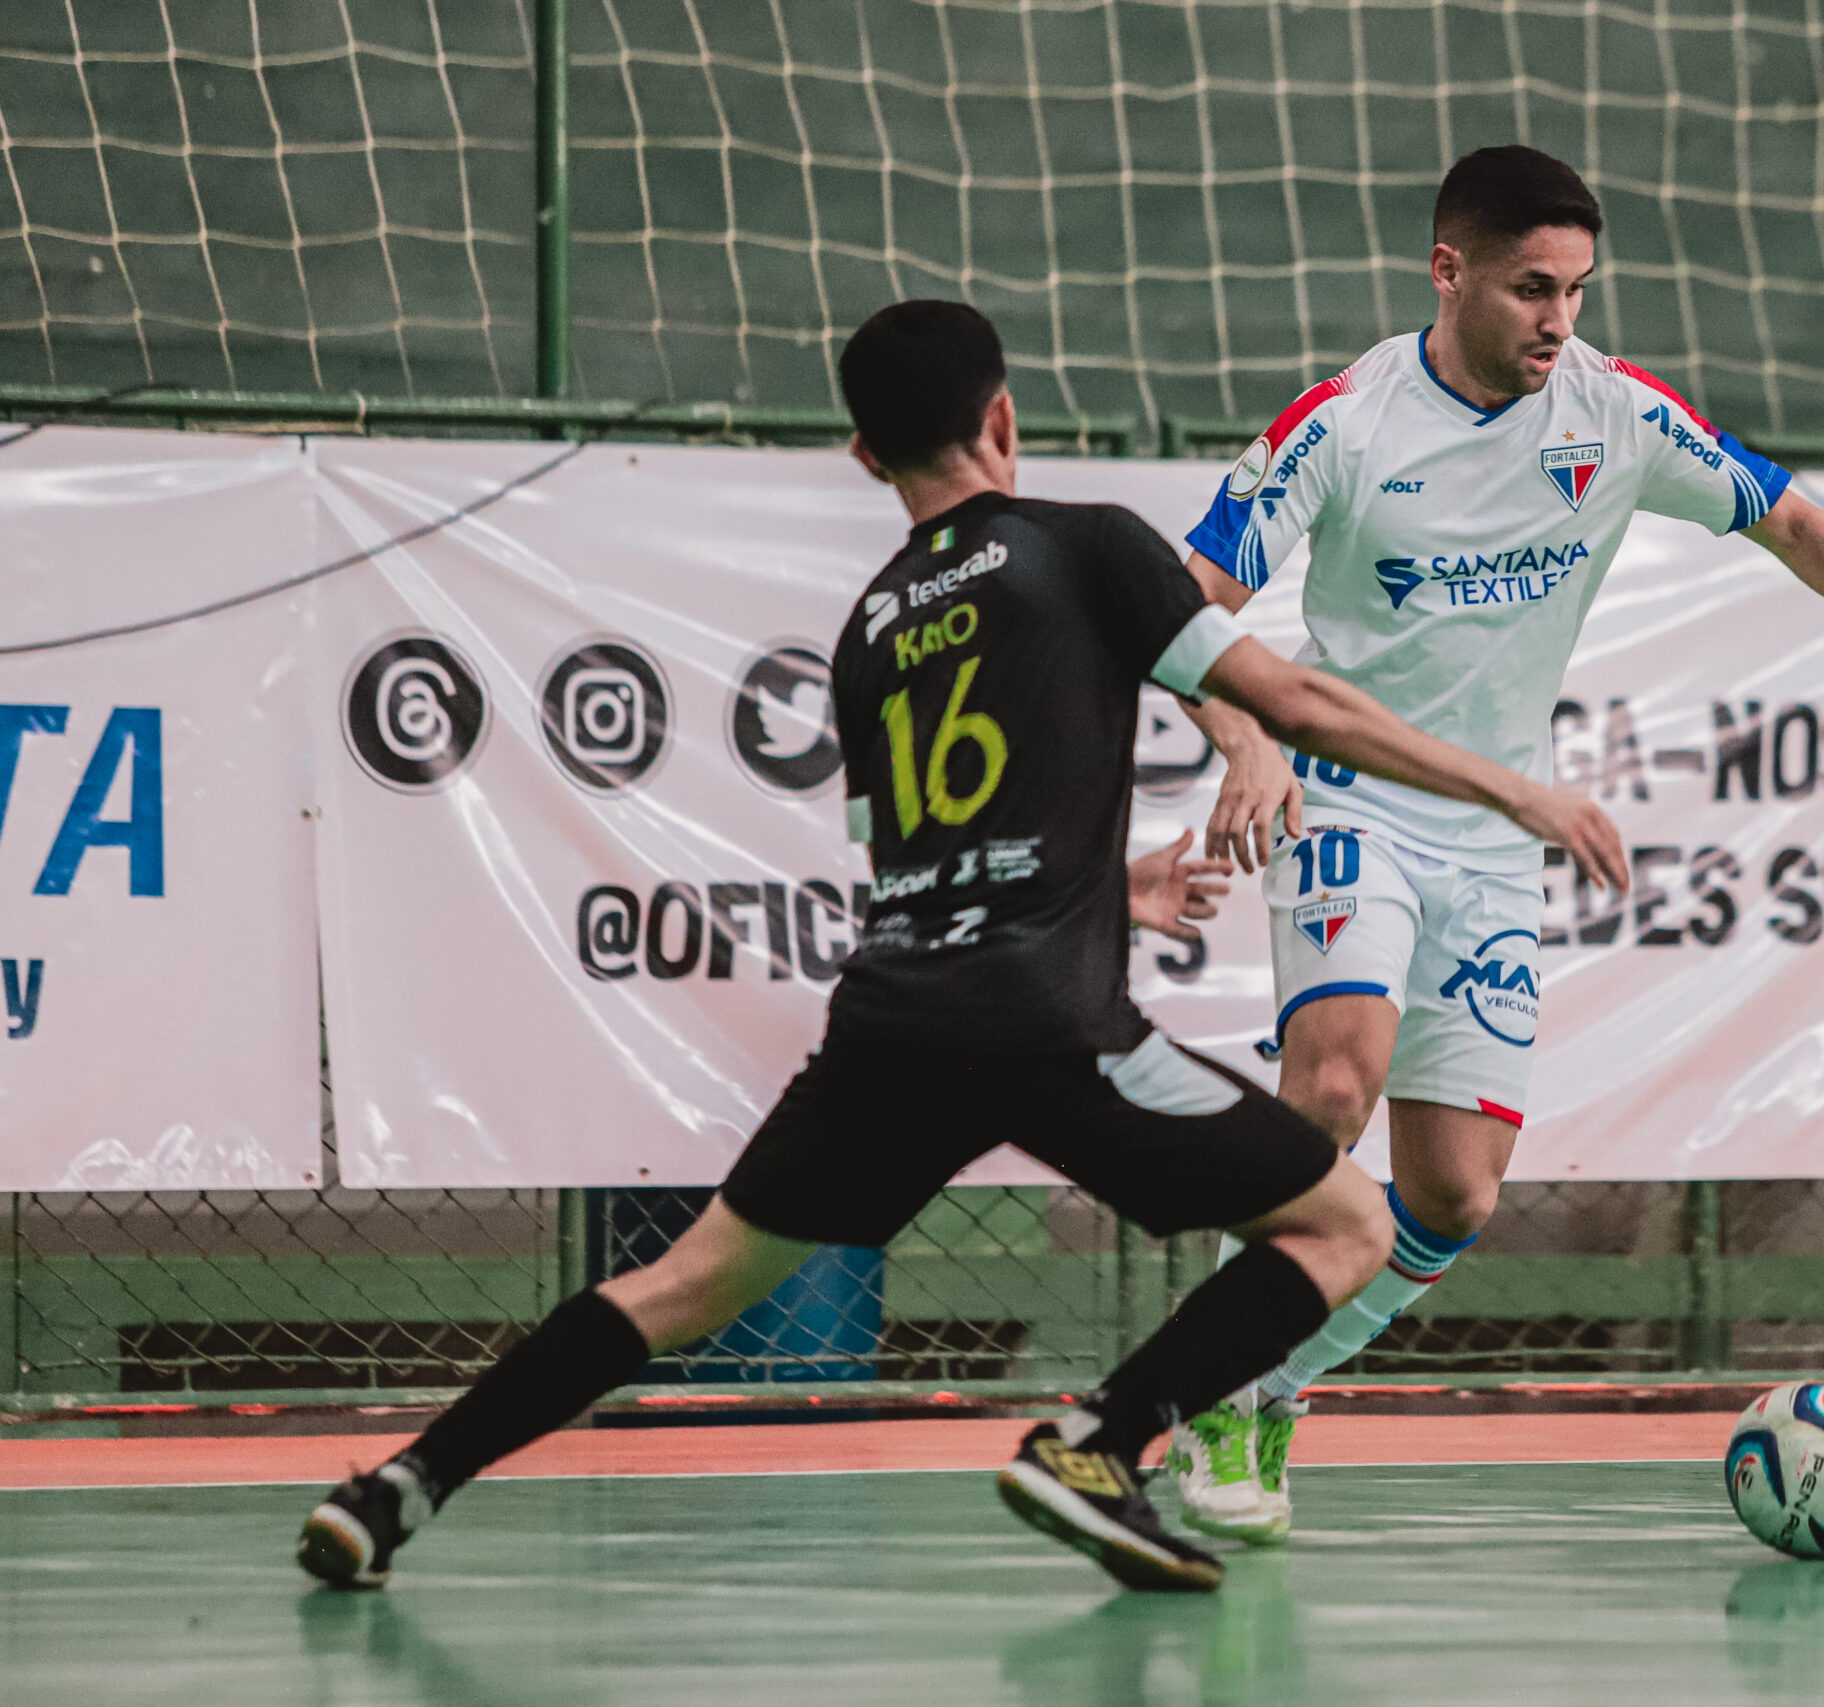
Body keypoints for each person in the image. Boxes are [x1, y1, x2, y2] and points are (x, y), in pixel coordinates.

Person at [293, 299, 1627, 1597]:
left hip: (892, 1028)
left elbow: (926, 869)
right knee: (1340, 1222)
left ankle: (398, 1486)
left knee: (684, 1282)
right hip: (1046, 1024)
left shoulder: (868, 635)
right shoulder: (1087, 545)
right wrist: (1516, 791)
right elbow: (1294, 700)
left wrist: (1117, 890)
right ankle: (1100, 1447)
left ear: (867, 455)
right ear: (1002, 418)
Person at [1164, 145, 1824, 1542]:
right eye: (1532, 288)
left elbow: (1795, 518)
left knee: (1454, 1197)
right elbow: (1181, 604)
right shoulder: (1343, 427)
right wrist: (1249, 737)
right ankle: (1212, 1383)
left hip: (1493, 833)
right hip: (1352, 802)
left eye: (1578, 291)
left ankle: (1270, 1378)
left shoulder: (1610, 413)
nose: (1558, 322)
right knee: (1337, 1076)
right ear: (1447, 269)